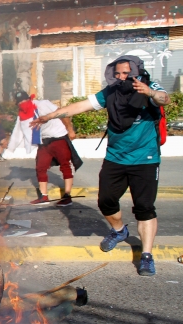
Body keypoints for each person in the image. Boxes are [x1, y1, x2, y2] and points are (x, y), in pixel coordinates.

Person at [31, 55, 170, 276]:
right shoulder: (111, 92)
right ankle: (119, 231)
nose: (121, 77)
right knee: (106, 201)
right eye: (117, 73)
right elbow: (82, 106)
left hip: (145, 159)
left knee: (144, 208)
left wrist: (150, 93)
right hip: (115, 157)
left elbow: (164, 99)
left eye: (126, 72)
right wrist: (51, 116)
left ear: (136, 70)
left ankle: (146, 256)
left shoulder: (148, 86)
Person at [10, 91, 82, 206]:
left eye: (24, 101)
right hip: (44, 142)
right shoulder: (22, 113)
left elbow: (63, 113)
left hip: (58, 137)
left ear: (29, 99)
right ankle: (44, 197)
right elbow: (19, 130)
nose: (22, 104)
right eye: (20, 102)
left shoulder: (43, 104)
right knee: (40, 167)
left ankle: (67, 196)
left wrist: (70, 130)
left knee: (66, 165)